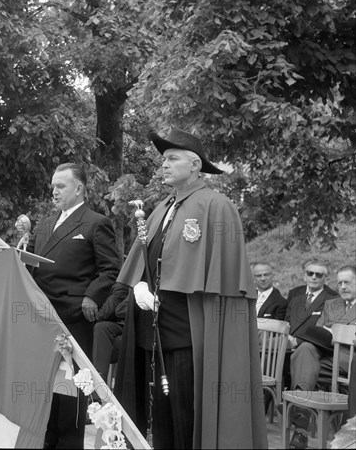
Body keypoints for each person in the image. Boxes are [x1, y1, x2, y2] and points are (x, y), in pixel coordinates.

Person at [114, 127, 267, 449]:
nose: (163, 165)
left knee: (186, 415)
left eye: (172, 158)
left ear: (195, 164)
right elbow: (146, 258)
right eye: (163, 160)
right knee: (160, 415)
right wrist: (140, 285)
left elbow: (226, 278)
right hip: (150, 328)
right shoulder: (162, 206)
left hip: (189, 332)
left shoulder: (217, 205)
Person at [26, 162, 121, 449]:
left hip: (73, 323)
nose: (53, 191)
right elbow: (31, 266)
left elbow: (111, 269)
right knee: (45, 402)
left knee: (69, 403)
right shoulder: (43, 225)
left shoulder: (96, 222)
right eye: (53, 185)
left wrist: (91, 296)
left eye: (60, 185)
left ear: (79, 188)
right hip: (42, 321)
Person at [288, 264, 356, 449]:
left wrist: (341, 335)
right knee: (304, 349)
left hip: (349, 359)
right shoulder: (332, 303)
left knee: (306, 371)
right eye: (339, 282)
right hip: (326, 355)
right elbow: (320, 331)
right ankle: (301, 427)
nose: (342, 286)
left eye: (347, 282)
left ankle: (296, 411)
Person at [285, 260, 339, 348]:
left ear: (326, 280)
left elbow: (327, 331)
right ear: (304, 277)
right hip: (288, 344)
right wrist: (287, 338)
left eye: (319, 275)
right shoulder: (295, 299)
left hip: (312, 346)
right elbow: (286, 323)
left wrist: (297, 341)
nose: (314, 277)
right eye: (310, 273)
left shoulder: (333, 301)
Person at [92, 282, 129, 384]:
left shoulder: (123, 284)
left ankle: (99, 383)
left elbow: (117, 311)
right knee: (101, 328)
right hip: (121, 324)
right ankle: (99, 383)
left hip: (136, 324)